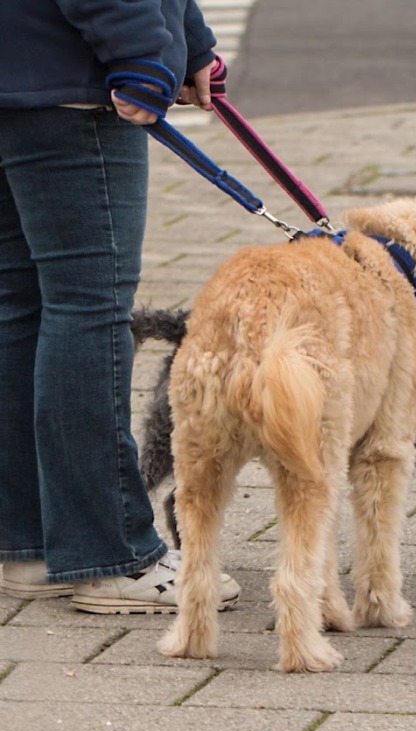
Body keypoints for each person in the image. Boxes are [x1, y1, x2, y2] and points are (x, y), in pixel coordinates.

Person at [0, 0, 240, 612]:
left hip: (21, 69)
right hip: (76, 80)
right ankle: (112, 556)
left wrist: (188, 43)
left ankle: (29, 545)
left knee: (24, 308)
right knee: (88, 309)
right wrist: (140, 55)